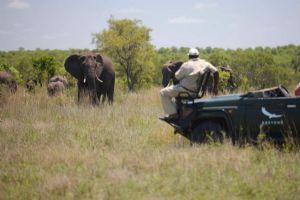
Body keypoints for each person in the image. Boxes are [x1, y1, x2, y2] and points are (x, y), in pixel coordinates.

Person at [160, 48, 219, 120]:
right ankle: (178, 111)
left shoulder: (186, 65)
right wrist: (215, 87)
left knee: (163, 92)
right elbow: (216, 72)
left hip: (185, 90)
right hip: (196, 92)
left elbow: (176, 77)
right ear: (198, 56)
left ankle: (173, 114)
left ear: (189, 56)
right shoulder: (205, 63)